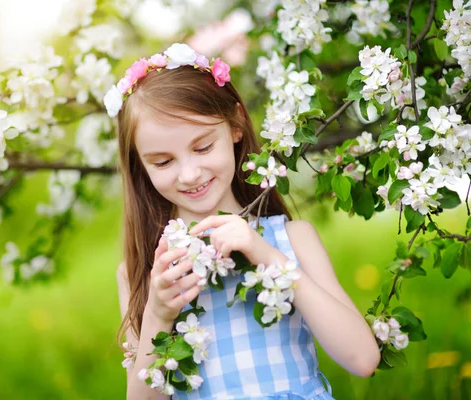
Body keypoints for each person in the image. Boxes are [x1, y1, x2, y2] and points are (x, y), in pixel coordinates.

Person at [112, 43, 380, 400]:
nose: (189, 174)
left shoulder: (290, 238)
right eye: (163, 162)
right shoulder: (147, 268)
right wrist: (159, 314)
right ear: (140, 166)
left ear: (236, 125)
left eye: (203, 147)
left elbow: (362, 359)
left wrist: (266, 255)